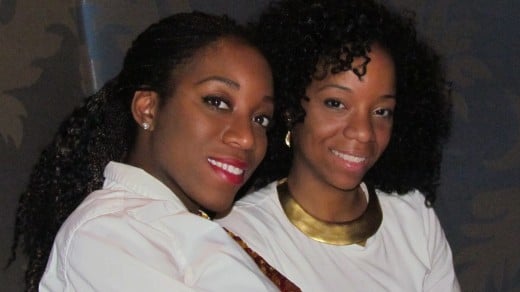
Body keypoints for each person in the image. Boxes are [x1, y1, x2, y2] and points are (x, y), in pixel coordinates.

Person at [8, 11, 292, 292]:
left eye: (260, 119)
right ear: (148, 108)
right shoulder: (109, 236)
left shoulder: (190, 228)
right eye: (217, 102)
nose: (246, 138)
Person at [217, 0, 461, 291]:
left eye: (381, 111)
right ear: (290, 107)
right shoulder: (240, 237)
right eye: (336, 104)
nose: (363, 133)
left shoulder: (413, 217)